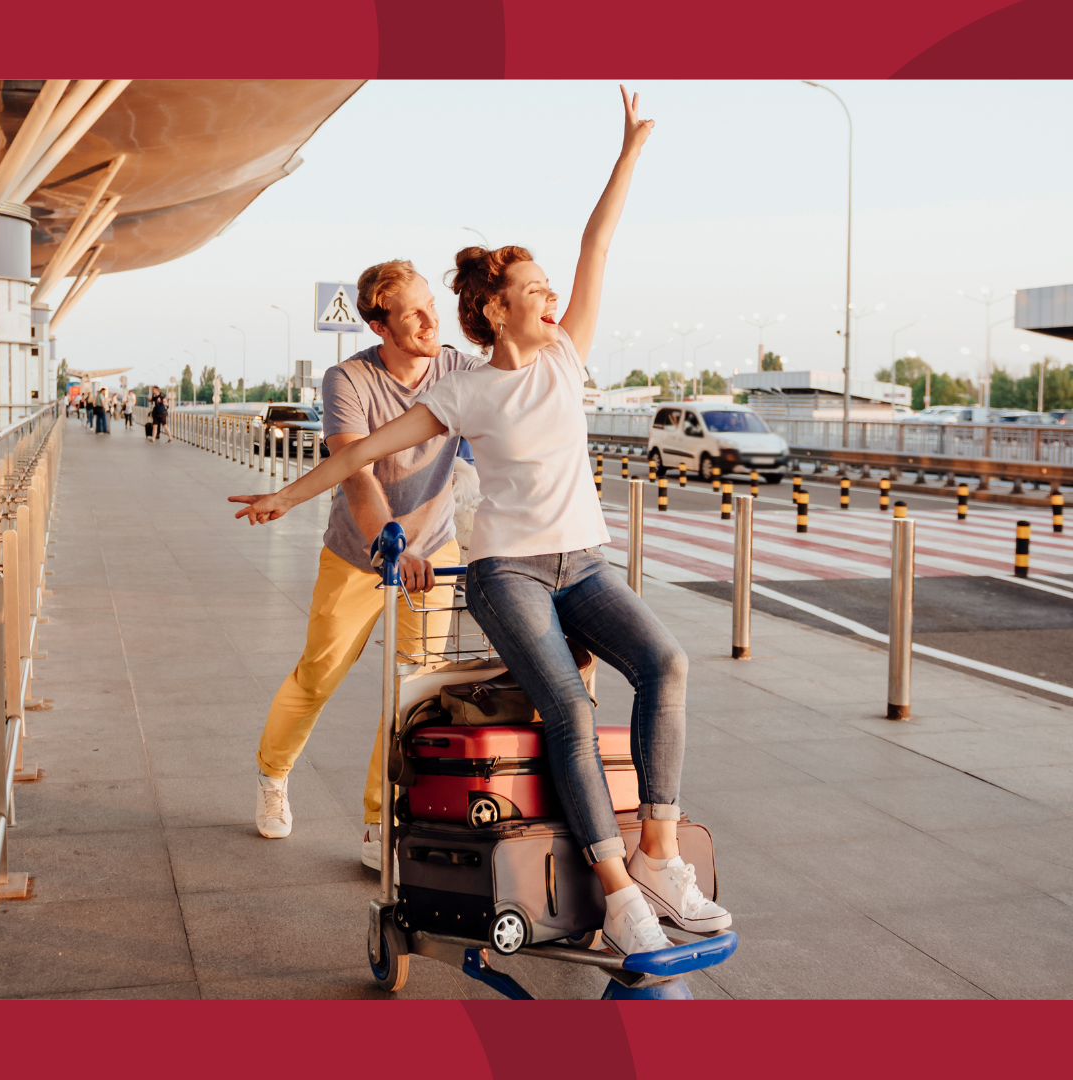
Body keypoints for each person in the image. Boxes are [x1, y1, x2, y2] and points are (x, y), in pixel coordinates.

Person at [229, 88, 730, 958]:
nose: (550, 297)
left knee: (667, 663)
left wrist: (628, 156)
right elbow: (359, 459)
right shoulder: (452, 388)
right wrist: (285, 496)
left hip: (575, 559)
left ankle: (657, 854)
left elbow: (596, 241)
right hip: (485, 566)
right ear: (498, 310)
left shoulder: (565, 353)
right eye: (534, 291)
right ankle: (616, 895)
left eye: (546, 289)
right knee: (552, 707)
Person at [228, 261, 482, 861]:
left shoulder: (458, 370)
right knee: (319, 674)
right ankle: (273, 773)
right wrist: (391, 545)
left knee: (414, 688)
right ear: (378, 324)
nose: (430, 320)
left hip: (434, 553)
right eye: (413, 313)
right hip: (361, 555)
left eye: (431, 306)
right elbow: (357, 475)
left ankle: (380, 820)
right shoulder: (350, 380)